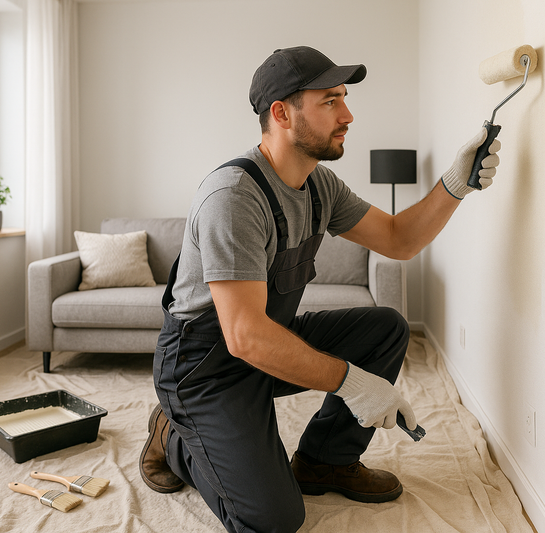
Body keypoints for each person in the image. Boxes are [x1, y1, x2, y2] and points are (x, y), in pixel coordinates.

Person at [139, 46, 500, 533]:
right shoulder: (234, 197)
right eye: (330, 101)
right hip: (205, 370)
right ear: (281, 113)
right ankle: (173, 436)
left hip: (266, 342)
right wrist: (353, 383)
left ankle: (324, 461)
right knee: (273, 520)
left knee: (385, 328)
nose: (347, 115)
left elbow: (399, 239)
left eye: (343, 99)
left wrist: (456, 183)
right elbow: (244, 336)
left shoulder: (319, 186)